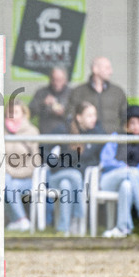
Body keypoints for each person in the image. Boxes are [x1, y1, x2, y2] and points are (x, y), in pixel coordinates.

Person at [98, 105, 139, 238]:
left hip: (131, 180)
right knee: (131, 173)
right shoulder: (116, 137)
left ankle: (123, 228)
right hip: (109, 179)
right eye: (132, 122)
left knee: (127, 186)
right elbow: (106, 160)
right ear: (126, 124)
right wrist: (123, 167)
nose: (135, 126)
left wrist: (135, 171)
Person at [48, 101, 103, 235]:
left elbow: (95, 161)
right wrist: (56, 164)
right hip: (57, 175)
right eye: (89, 115)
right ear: (79, 117)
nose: (94, 118)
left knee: (66, 185)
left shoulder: (96, 134)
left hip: (78, 182)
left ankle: (64, 228)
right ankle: (78, 216)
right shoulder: (64, 130)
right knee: (75, 175)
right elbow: (44, 149)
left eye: (94, 115)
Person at [3, 98, 39, 232]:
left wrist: (12, 172)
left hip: (26, 179)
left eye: (16, 112)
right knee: (5, 182)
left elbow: (35, 162)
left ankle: (19, 219)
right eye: (9, 112)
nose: (11, 115)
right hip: (6, 175)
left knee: (8, 185)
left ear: (23, 114)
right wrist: (8, 172)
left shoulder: (32, 131)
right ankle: (19, 220)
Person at [68, 56, 127, 134]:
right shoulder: (79, 91)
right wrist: (78, 135)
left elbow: (126, 117)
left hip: (113, 138)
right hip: (87, 139)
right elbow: (70, 116)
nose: (111, 72)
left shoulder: (118, 92)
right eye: (107, 68)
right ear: (95, 69)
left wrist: (120, 134)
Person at [29, 65, 72, 135]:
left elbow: (77, 116)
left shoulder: (71, 93)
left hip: (67, 134)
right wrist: (43, 103)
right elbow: (30, 113)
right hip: (46, 133)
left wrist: (64, 113)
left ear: (65, 80)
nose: (56, 83)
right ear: (50, 79)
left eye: (59, 80)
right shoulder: (41, 92)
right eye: (54, 79)